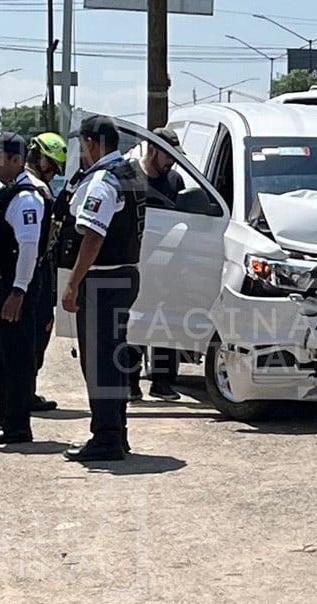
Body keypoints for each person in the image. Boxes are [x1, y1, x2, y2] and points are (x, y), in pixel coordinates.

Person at [59, 115, 146, 462]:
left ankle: (106, 438)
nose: (82, 153)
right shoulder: (130, 173)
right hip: (124, 276)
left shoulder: (103, 181)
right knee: (113, 359)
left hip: (103, 280)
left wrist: (73, 283)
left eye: (83, 145)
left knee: (99, 364)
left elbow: (94, 236)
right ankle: (116, 432)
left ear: (94, 143)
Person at [0, 131, 48, 445]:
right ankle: (3, 416)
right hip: (2, 284)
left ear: (16, 160)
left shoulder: (26, 198)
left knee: (16, 358)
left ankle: (17, 424)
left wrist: (18, 291)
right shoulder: (5, 191)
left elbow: (28, 249)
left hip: (17, 286)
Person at [127, 127, 186, 401]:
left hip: (168, 265)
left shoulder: (175, 181)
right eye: (167, 155)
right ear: (151, 149)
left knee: (165, 321)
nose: (170, 162)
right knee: (134, 322)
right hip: (136, 262)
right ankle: (129, 381)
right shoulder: (130, 177)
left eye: (174, 157)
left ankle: (163, 382)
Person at [25, 131, 69, 412]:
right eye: (52, 166)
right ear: (40, 159)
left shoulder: (34, 186)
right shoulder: (36, 190)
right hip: (35, 273)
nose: (53, 174)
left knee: (36, 333)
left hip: (35, 272)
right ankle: (25, 392)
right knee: (35, 334)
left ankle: (25, 390)